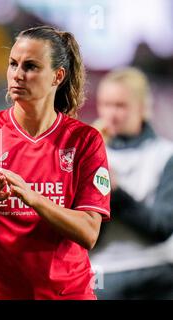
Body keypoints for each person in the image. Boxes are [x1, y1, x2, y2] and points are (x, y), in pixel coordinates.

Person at [0, 26, 111, 300]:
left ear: (58, 76)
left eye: (31, 66)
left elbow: (89, 232)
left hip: (66, 295)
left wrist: (32, 197)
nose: (18, 75)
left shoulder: (85, 141)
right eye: (13, 64)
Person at [91, 67, 173, 299]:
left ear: (143, 108)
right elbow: (86, 237)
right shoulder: (89, 157)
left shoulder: (166, 154)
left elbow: (162, 227)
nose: (111, 114)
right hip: (104, 270)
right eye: (105, 104)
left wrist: (115, 192)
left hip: (155, 267)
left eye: (121, 106)